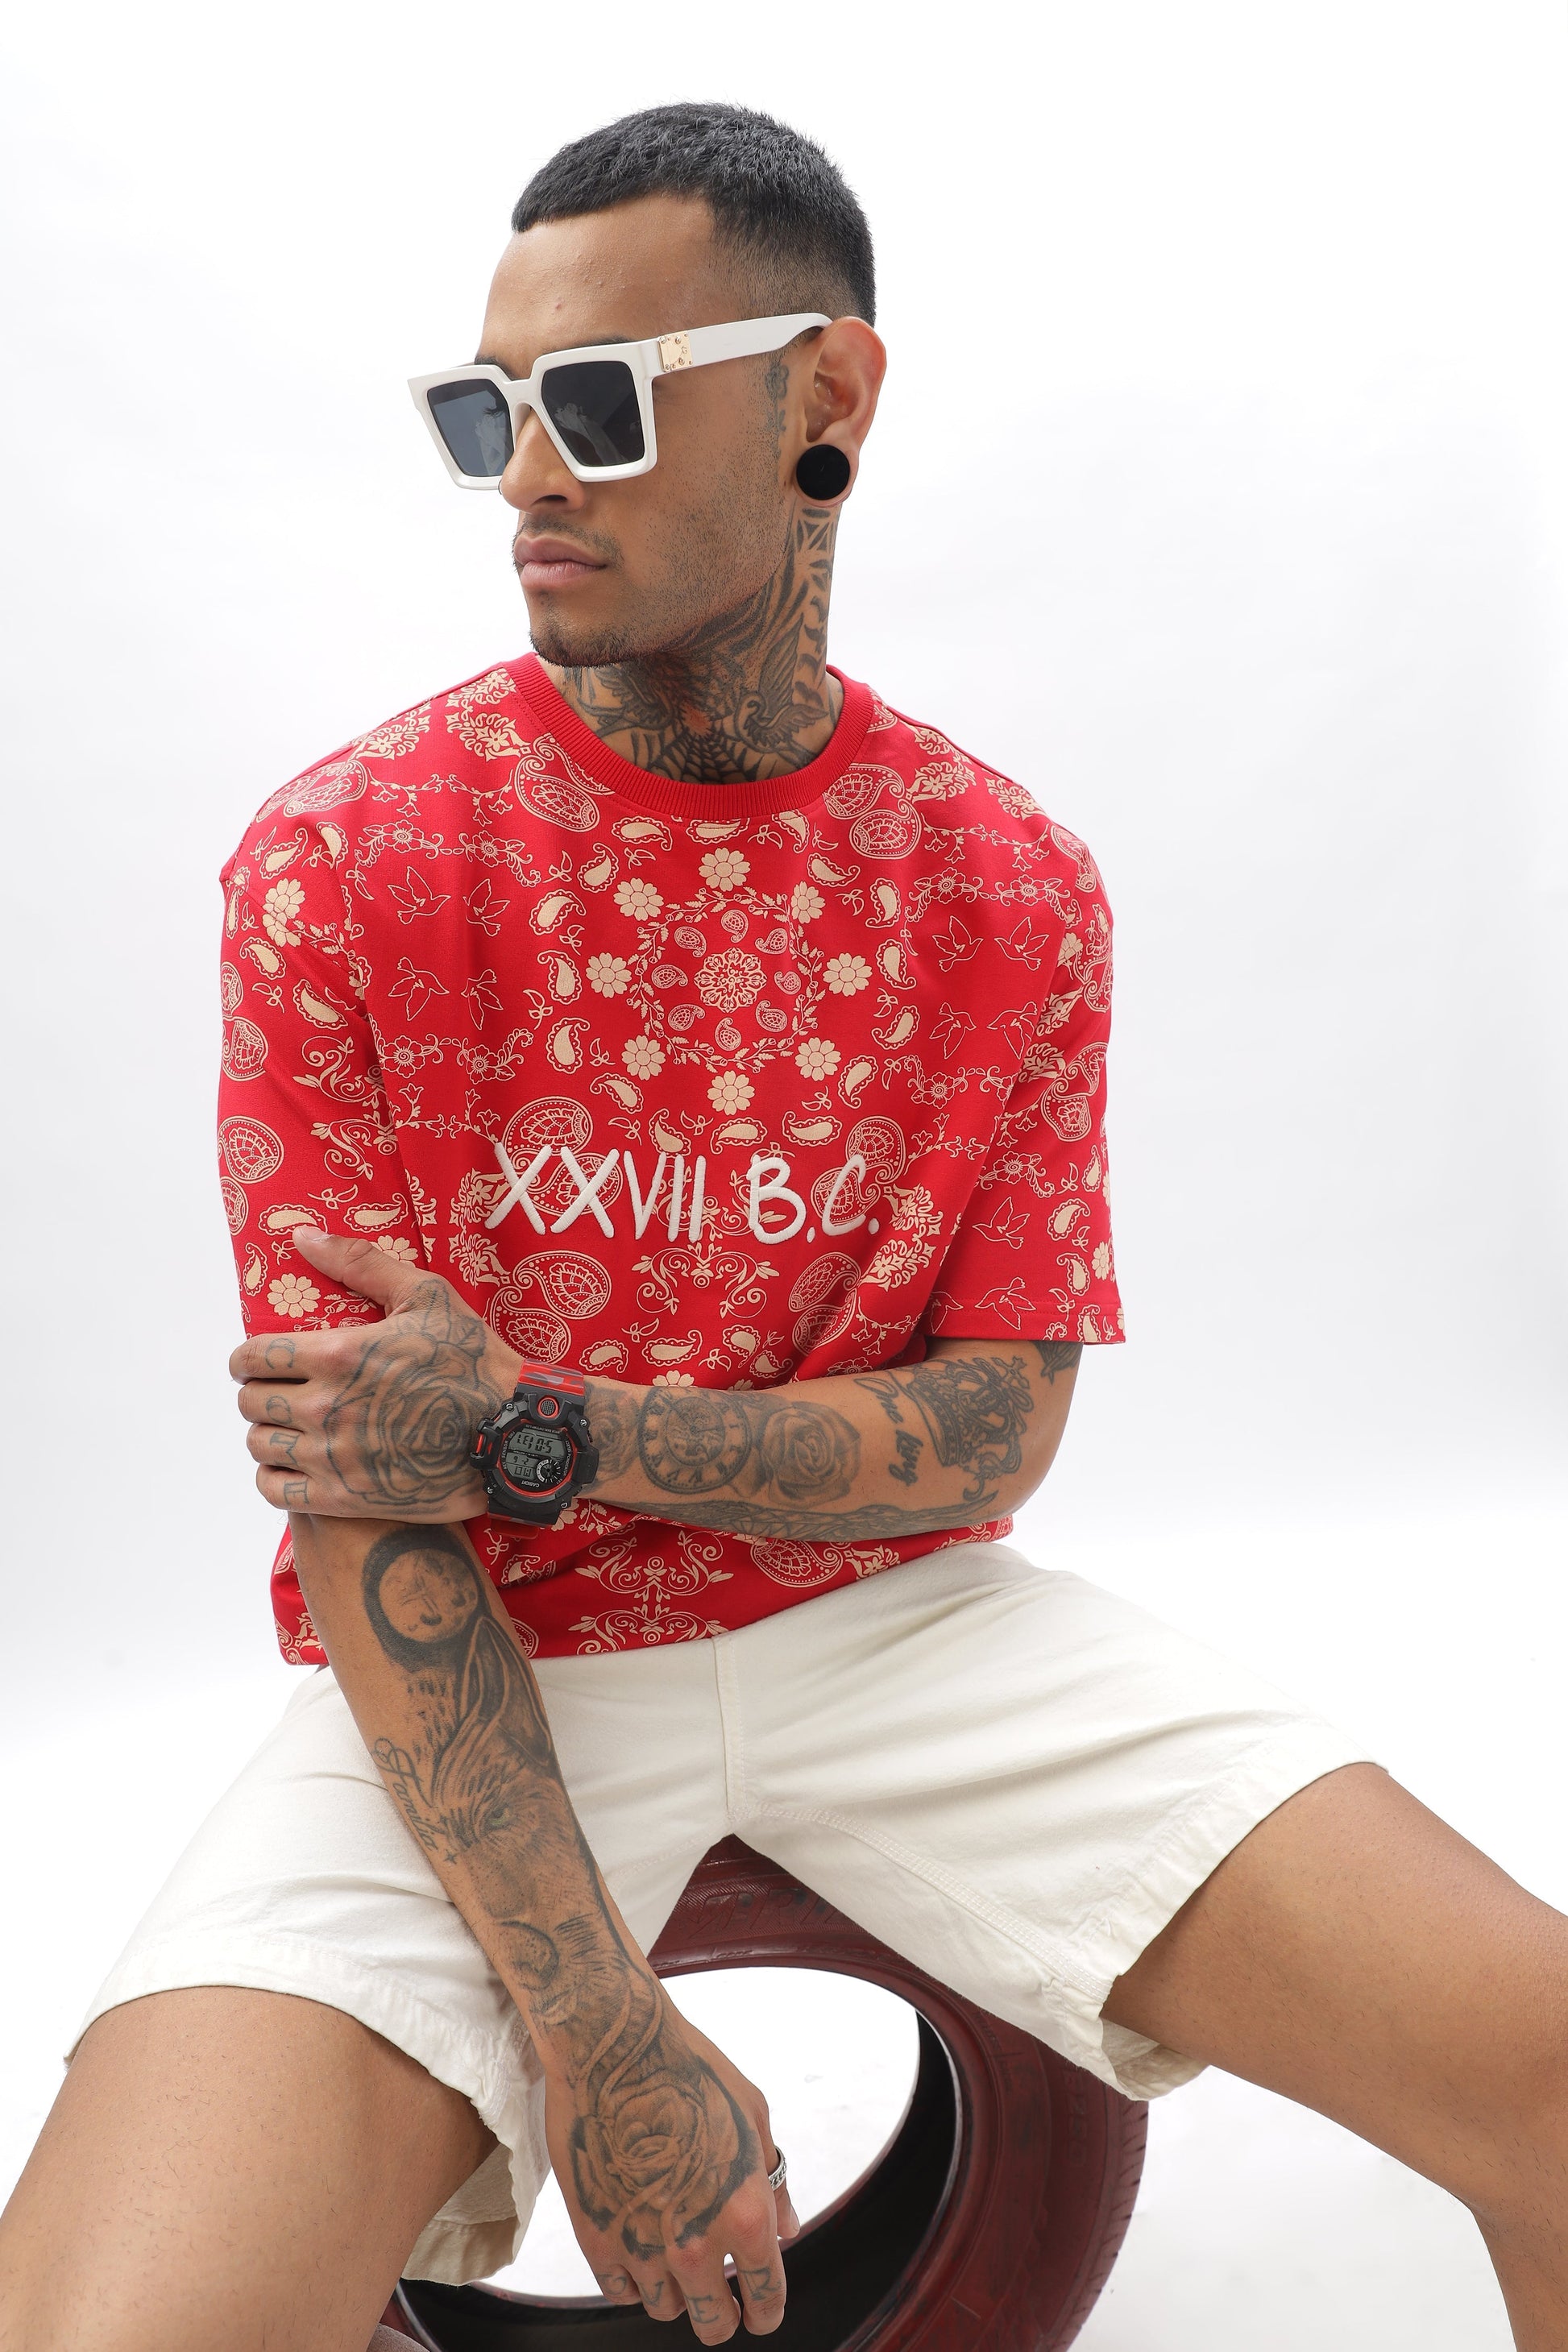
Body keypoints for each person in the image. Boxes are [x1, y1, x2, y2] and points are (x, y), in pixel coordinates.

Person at [2, 100, 1565, 2352]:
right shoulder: (346, 861)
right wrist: (599, 2030)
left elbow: (990, 1435)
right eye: (488, 412)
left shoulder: (1003, 881)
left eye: (600, 400)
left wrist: (544, 1425)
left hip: (900, 1632)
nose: (528, 475)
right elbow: (370, 1500)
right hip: (484, 1650)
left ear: (823, 395)